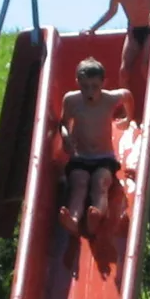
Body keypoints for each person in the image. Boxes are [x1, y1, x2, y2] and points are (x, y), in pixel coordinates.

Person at [59, 57, 133, 237]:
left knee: (100, 183)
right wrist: (66, 136)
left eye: (94, 86)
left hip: (104, 157)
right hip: (80, 156)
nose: (89, 91)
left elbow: (127, 95)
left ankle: (97, 214)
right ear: (77, 82)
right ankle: (74, 219)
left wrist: (128, 118)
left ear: (103, 83)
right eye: (84, 86)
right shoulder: (71, 100)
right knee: (79, 183)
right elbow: (63, 123)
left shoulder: (110, 98)